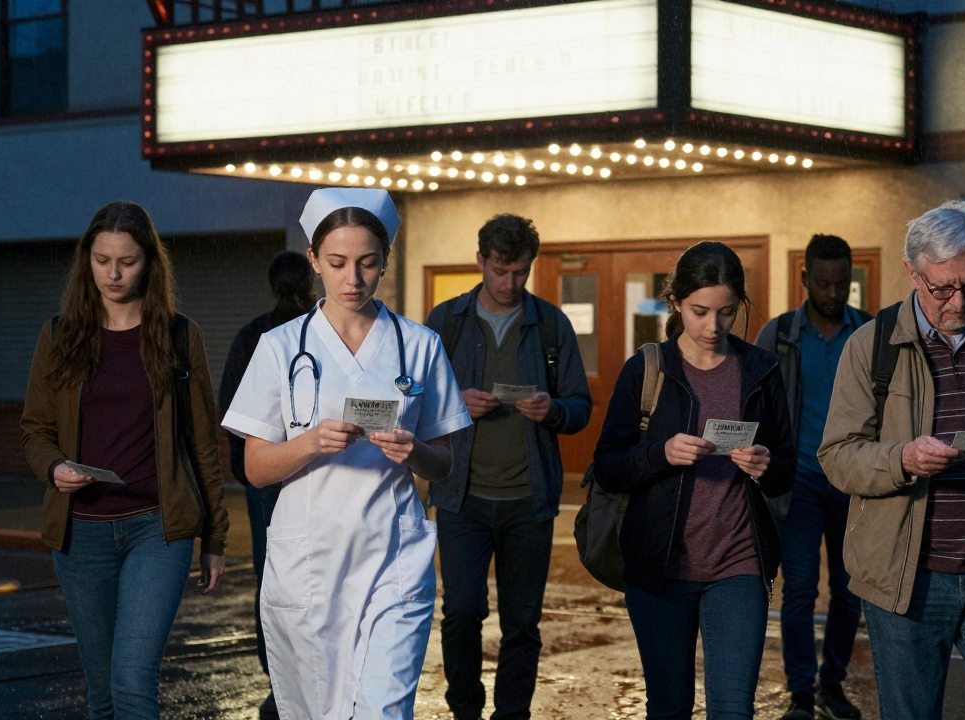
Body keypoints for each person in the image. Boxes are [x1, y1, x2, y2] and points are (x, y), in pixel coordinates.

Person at [221, 188, 470, 720]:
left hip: (393, 558)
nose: (352, 279)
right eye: (336, 263)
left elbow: (444, 460)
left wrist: (415, 449)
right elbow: (254, 468)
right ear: (313, 260)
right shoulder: (281, 347)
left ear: (384, 263)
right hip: (310, 562)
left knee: (384, 711)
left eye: (367, 263)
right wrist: (310, 442)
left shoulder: (419, 345)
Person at [817, 200, 965, 720]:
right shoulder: (870, 346)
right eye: (942, 288)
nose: (959, 301)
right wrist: (902, 458)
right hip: (907, 577)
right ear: (912, 272)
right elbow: (837, 457)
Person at [20, 200, 229, 719]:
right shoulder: (59, 336)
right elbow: (35, 431)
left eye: (127, 261)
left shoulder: (181, 337)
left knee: (134, 683)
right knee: (104, 697)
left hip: (158, 530)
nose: (113, 273)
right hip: (81, 535)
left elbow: (203, 443)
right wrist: (54, 468)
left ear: (149, 264)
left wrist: (215, 538)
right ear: (86, 261)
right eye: (101, 259)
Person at [593, 241, 795, 720]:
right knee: (670, 707)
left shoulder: (760, 371)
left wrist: (767, 466)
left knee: (733, 709)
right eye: (699, 311)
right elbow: (608, 466)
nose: (713, 326)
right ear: (676, 302)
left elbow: (787, 469)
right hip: (660, 566)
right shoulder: (647, 369)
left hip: (738, 563)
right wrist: (660, 454)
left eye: (726, 312)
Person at [424, 214, 591, 720]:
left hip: (529, 501)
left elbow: (580, 406)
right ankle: (465, 711)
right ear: (480, 262)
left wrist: (553, 410)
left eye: (520, 272)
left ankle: (512, 713)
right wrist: (453, 402)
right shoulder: (446, 321)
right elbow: (410, 401)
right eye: (500, 271)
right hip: (461, 498)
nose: (510, 283)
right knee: (461, 614)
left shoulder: (550, 324)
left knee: (522, 622)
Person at [754, 234, 868, 720]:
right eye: (823, 283)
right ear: (805, 280)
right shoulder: (778, 336)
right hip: (797, 480)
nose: (833, 292)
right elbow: (752, 402)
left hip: (853, 481)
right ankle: (801, 691)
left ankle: (832, 684)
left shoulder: (868, 332)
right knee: (799, 588)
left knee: (849, 589)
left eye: (842, 283)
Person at [218, 250, 317, 720]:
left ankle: (280, 683)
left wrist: (250, 475)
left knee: (274, 585)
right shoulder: (322, 331)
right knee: (327, 580)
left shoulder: (253, 337)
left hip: (267, 484)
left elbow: (232, 415)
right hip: (322, 477)